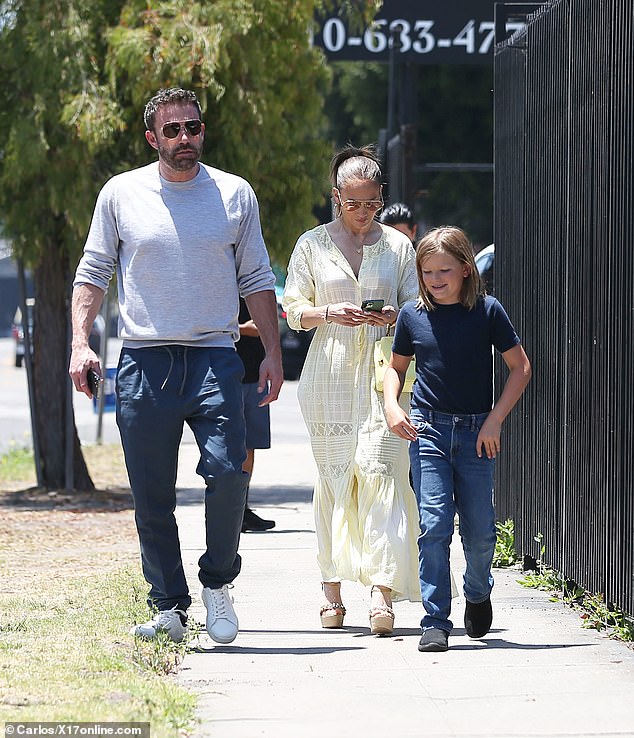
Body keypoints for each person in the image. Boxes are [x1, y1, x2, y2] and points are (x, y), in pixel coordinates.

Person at [68, 87, 283, 645]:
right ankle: (168, 604)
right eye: (173, 130)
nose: (185, 138)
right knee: (152, 492)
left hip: (215, 355)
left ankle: (217, 582)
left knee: (229, 473)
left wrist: (275, 354)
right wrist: (79, 344)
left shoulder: (234, 194)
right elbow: (94, 271)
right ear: (152, 138)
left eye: (193, 127)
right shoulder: (121, 193)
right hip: (144, 360)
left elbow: (256, 277)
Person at [283, 144, 421, 636]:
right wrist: (329, 313)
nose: (362, 213)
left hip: (386, 371)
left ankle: (382, 594)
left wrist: (394, 316)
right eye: (352, 203)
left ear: (381, 197)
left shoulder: (398, 247)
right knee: (336, 478)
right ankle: (332, 589)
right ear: (335, 196)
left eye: (371, 203)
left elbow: (417, 304)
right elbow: (293, 308)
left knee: (383, 472)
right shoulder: (312, 245)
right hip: (330, 371)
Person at [383, 226, 531, 653]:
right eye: (427, 271)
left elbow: (520, 367)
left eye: (444, 270)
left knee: (482, 531)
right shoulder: (413, 315)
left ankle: (478, 591)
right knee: (433, 525)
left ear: (466, 269)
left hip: (476, 434)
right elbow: (395, 368)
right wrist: (393, 405)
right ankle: (435, 620)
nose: (434, 279)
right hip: (427, 431)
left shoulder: (487, 311)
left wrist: (494, 421)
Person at [236, 296, 276, 532]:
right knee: (229, 446)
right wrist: (242, 329)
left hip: (256, 377)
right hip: (225, 377)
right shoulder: (221, 277)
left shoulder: (258, 283)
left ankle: (242, 509)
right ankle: (229, 509)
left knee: (249, 445)